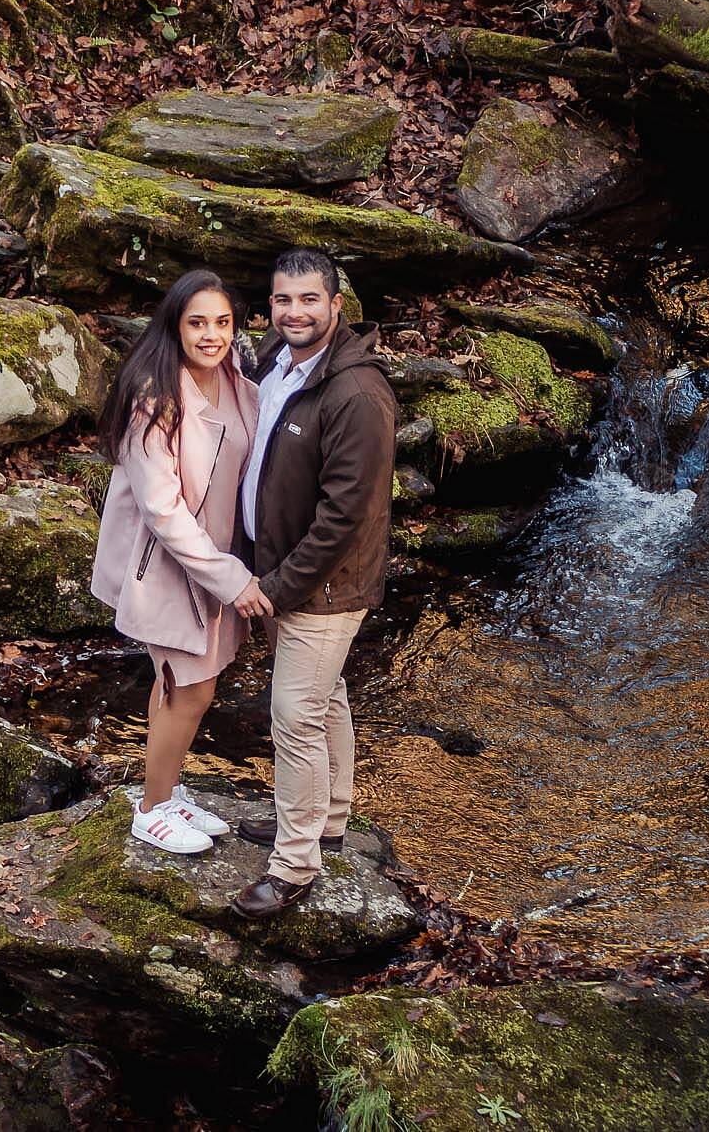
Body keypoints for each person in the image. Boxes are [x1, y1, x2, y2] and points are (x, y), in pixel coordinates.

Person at [227, 247, 398, 918]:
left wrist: (276, 585)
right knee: (326, 699)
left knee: (295, 715)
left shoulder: (357, 393)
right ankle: (327, 820)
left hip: (321, 586)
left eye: (308, 300)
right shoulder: (277, 356)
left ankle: (295, 864)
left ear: (336, 305)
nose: (294, 312)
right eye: (282, 300)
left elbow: (343, 518)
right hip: (281, 572)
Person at [91, 270, 273, 854]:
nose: (211, 335)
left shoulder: (239, 383)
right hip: (170, 565)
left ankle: (164, 790)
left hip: (219, 556)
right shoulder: (155, 398)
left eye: (222, 323)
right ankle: (150, 809)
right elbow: (161, 509)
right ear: (175, 325)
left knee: (185, 683)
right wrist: (229, 577)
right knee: (188, 685)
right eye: (198, 323)